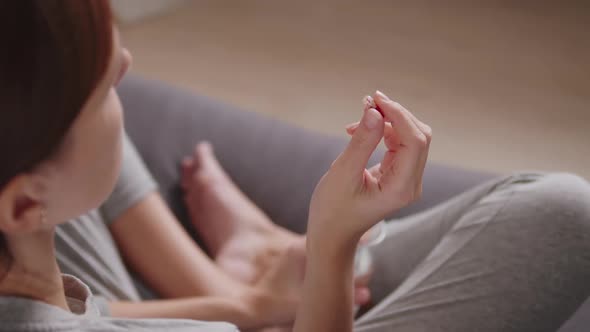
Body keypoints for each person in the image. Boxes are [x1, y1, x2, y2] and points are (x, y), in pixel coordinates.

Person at [2, 1, 590, 332]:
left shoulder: (21, 220)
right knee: (562, 217)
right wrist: (332, 240)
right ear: (26, 205)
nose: (130, 68)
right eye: (109, 88)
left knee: (54, 108)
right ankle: (274, 262)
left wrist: (243, 301)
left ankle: (253, 263)